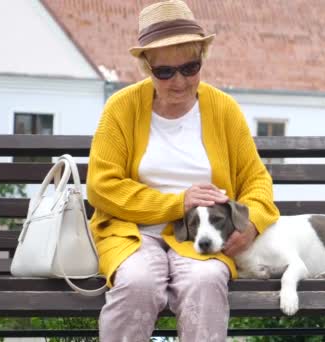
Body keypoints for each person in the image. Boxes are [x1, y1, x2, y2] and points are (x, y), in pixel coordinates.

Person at [85, 1, 279, 341]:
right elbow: (102, 186)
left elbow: (256, 180)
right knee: (138, 283)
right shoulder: (121, 108)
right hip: (133, 230)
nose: (179, 81)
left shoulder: (223, 108)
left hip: (203, 234)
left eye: (190, 68)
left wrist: (252, 223)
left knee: (205, 281)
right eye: (165, 72)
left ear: (202, 61)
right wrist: (177, 204)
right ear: (147, 67)